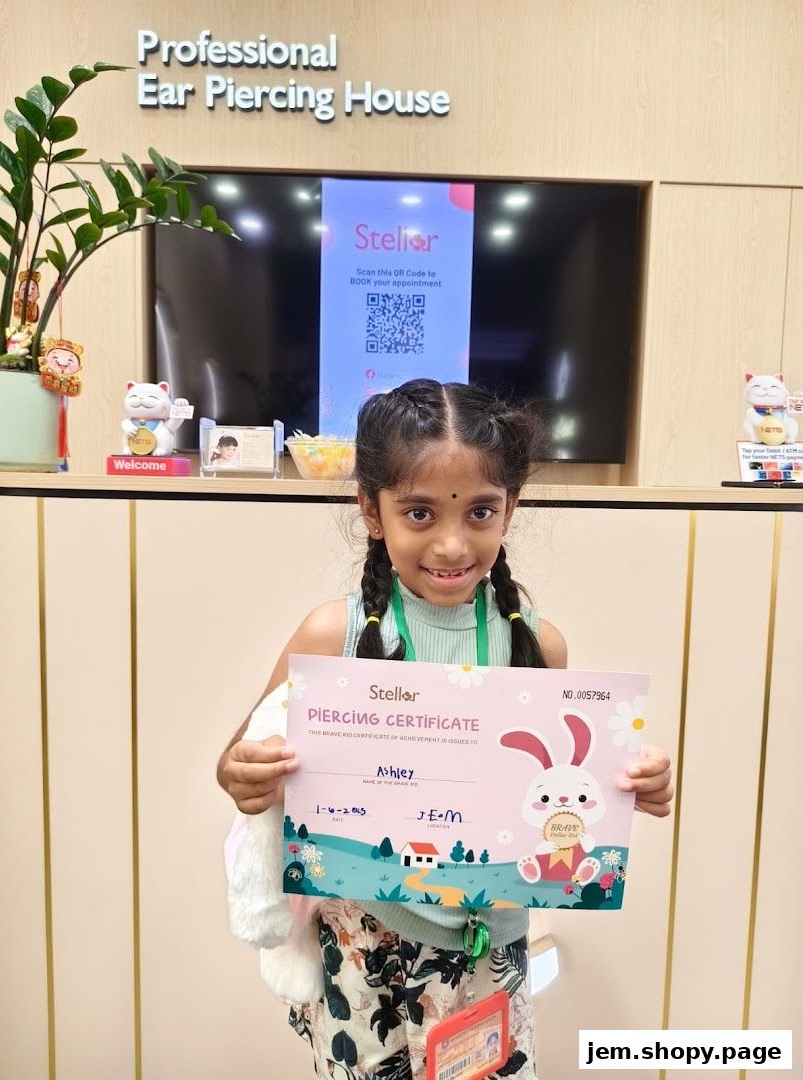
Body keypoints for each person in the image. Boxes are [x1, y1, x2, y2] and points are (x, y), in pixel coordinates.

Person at [217, 379, 673, 1080]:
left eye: (481, 512)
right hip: (368, 943)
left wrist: (631, 784)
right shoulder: (332, 633)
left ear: (510, 509)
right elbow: (235, 764)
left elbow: (560, 780)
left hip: (494, 947)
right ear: (372, 510)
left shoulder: (538, 646)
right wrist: (249, 774)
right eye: (420, 513)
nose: (453, 543)